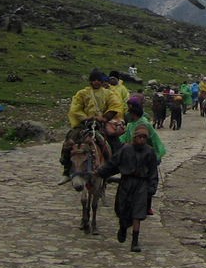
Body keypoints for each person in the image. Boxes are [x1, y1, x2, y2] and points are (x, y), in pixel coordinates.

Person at [97, 123, 157, 252]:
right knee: (122, 209)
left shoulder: (149, 152)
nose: (141, 140)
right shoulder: (125, 150)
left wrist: (152, 187)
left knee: (138, 212)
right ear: (134, 137)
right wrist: (101, 173)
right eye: (139, 137)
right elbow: (113, 164)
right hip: (126, 182)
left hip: (141, 184)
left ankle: (135, 241)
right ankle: (123, 227)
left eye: (144, 137)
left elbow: (153, 171)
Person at [59, 69, 124, 183]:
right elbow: (75, 108)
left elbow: (115, 105)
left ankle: (109, 171)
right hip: (84, 124)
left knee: (114, 143)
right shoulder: (82, 93)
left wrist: (104, 118)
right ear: (90, 81)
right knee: (70, 140)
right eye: (94, 80)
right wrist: (85, 117)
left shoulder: (108, 93)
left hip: (101, 124)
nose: (96, 82)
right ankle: (66, 170)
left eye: (99, 80)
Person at [118, 105, 166, 216]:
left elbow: (154, 139)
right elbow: (125, 138)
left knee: (146, 181)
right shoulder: (130, 125)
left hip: (145, 155)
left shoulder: (145, 124)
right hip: (132, 154)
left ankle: (147, 206)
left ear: (133, 114)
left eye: (129, 113)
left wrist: (157, 154)